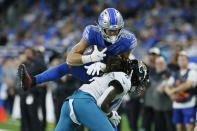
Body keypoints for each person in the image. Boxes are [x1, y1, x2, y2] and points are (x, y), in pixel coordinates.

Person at [17, 8, 137, 91]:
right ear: (101, 28)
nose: (113, 34)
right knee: (67, 66)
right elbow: (70, 58)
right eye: (110, 30)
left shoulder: (128, 40)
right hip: (90, 69)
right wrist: (89, 58)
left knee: (107, 112)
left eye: (116, 30)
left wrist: (105, 67)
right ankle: (32, 81)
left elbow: (123, 66)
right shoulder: (92, 32)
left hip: (110, 75)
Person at [54, 56, 149, 131]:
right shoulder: (125, 80)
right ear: (137, 76)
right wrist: (110, 115)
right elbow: (102, 103)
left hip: (70, 102)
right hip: (84, 103)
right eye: (141, 81)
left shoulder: (114, 74)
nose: (140, 84)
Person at [165, 51, 197, 131]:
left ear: (187, 61)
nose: (181, 62)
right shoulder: (175, 73)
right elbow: (167, 86)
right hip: (177, 104)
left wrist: (173, 90)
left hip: (189, 104)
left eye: (183, 60)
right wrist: (170, 94)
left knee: (189, 127)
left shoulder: (192, 72)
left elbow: (187, 85)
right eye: (180, 60)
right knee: (179, 127)